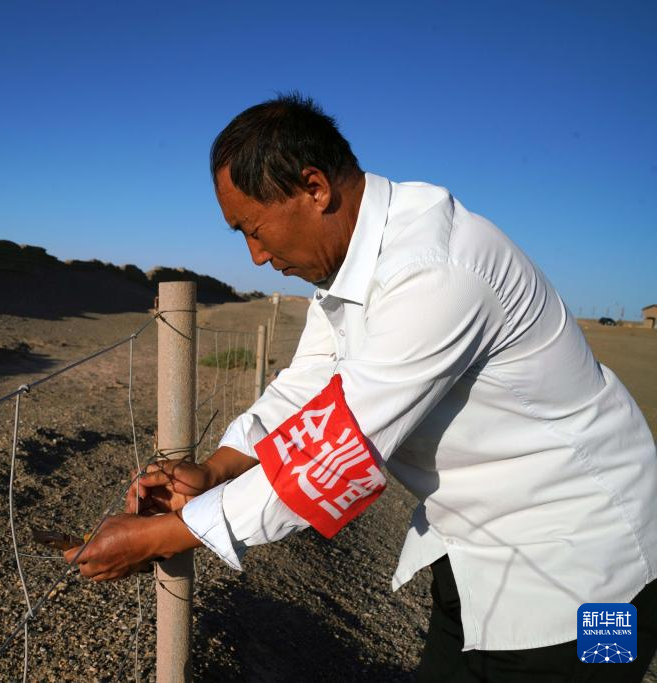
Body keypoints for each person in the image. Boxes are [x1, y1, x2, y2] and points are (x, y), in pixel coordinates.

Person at [64, 94, 657, 680]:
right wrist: (216, 470)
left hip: (594, 576)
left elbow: (341, 448)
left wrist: (165, 535)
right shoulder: (353, 258)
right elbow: (311, 381)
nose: (257, 255)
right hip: (479, 558)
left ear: (314, 187)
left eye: (254, 229)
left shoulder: (435, 270)